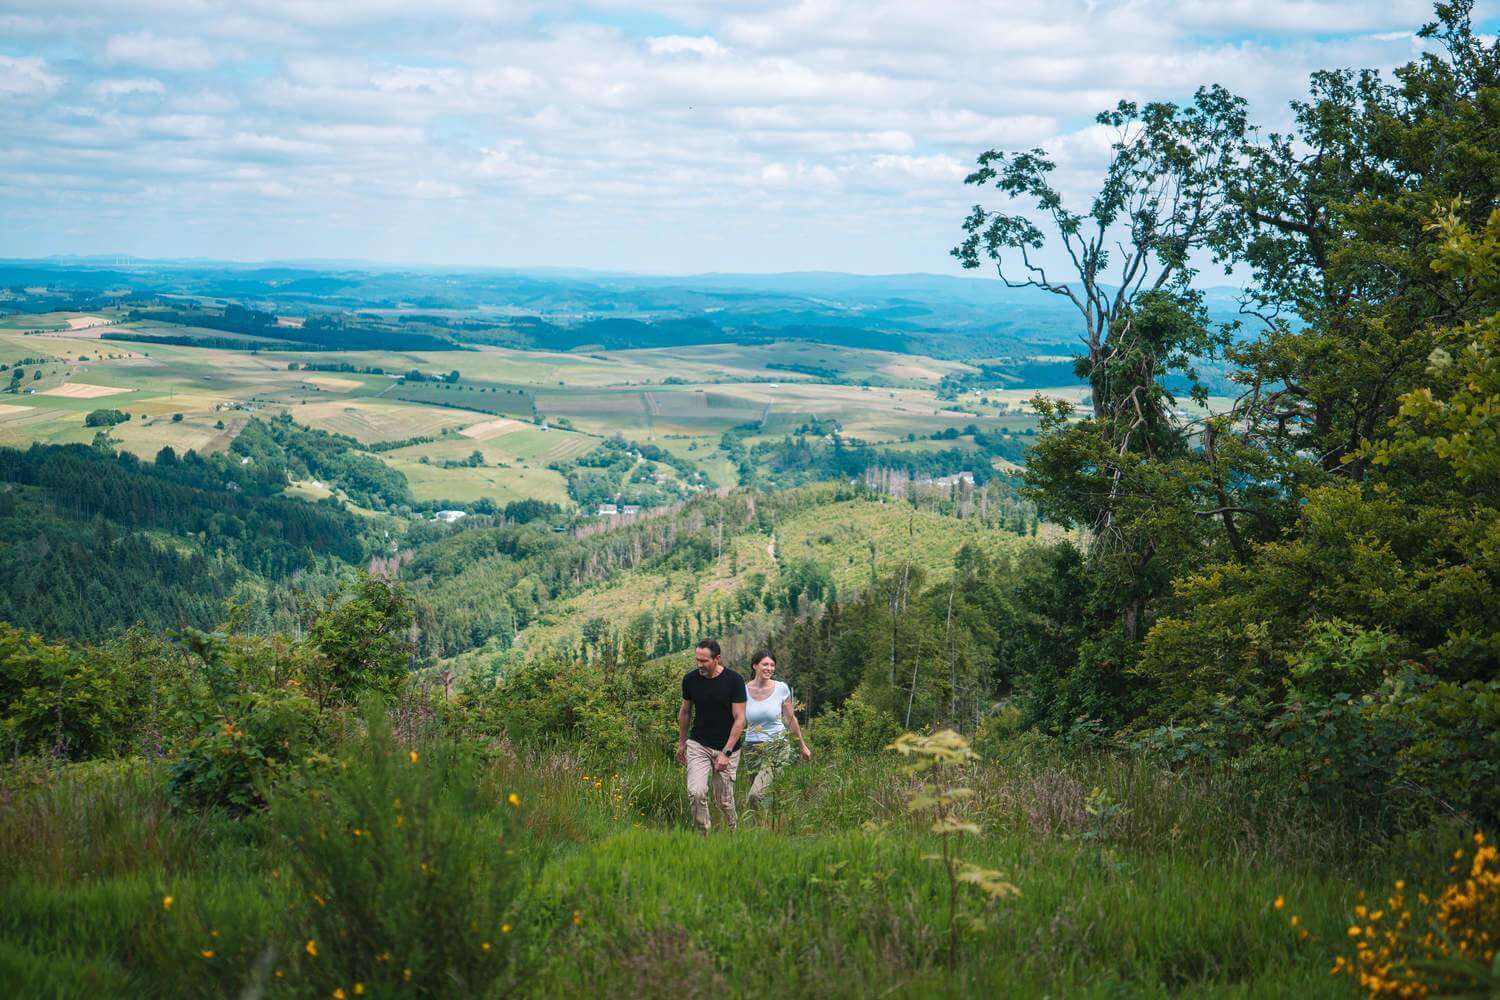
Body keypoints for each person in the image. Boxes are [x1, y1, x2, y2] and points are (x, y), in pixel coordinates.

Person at [676, 637, 746, 834]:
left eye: (704, 661)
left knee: (723, 800)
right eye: (697, 660)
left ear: (717, 659)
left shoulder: (734, 681)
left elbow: (740, 719)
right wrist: (682, 743)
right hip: (699, 744)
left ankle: (733, 833)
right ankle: (703, 836)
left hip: (728, 747)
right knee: (696, 792)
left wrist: (726, 752)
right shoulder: (690, 680)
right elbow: (685, 712)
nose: (700, 665)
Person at [741, 649, 811, 810]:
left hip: (777, 746)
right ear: (755, 666)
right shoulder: (743, 690)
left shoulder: (781, 689)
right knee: (758, 798)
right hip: (752, 748)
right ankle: (763, 830)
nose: (769, 668)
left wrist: (802, 745)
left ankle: (767, 827)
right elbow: (738, 720)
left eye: (772, 665)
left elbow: (790, 719)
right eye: (765, 664)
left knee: (755, 794)